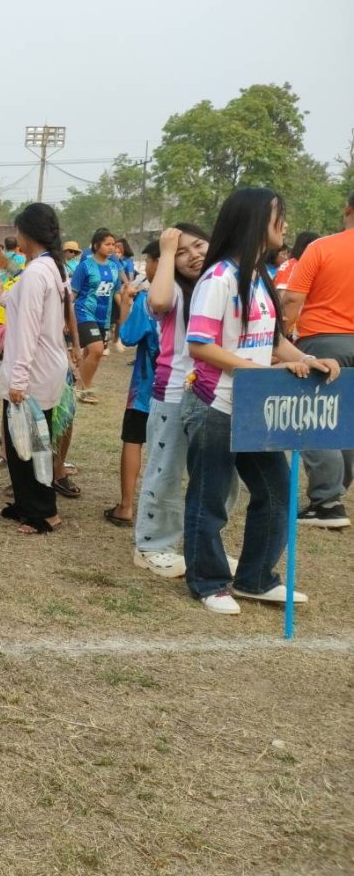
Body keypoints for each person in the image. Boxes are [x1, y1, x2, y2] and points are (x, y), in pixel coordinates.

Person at [182, 187, 340, 614]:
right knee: (210, 498)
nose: (284, 225)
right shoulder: (218, 278)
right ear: (254, 221)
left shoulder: (259, 277)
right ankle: (208, 582)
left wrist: (307, 360)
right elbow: (200, 344)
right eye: (277, 217)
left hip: (254, 407)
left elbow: (272, 341)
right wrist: (256, 373)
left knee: (277, 492)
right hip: (217, 404)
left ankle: (255, 578)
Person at [132, 224, 211, 577]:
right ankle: (152, 546)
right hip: (174, 392)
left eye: (199, 246)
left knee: (215, 478)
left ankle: (202, 548)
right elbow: (158, 302)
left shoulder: (217, 285)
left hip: (214, 394)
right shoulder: (174, 289)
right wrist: (165, 252)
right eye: (182, 252)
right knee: (165, 472)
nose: (193, 256)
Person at [282, 191, 354, 529]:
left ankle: (327, 502)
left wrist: (282, 335)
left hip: (323, 340)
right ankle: (336, 491)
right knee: (347, 417)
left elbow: (293, 298)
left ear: (347, 209)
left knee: (315, 416)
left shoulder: (321, 247)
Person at [0, 203, 71, 534]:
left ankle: (43, 512)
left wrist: (18, 381)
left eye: (17, 231)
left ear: (26, 234)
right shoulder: (51, 267)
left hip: (33, 370)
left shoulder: (36, 273)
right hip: (47, 364)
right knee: (27, 441)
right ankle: (27, 504)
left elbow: (29, 330)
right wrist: (2, 295)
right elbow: (27, 309)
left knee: (29, 444)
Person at [104, 242, 162, 529]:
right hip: (180, 391)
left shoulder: (149, 302)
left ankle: (126, 506)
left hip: (145, 390)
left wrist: (126, 303)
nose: (145, 267)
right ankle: (160, 510)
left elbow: (127, 337)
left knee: (133, 440)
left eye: (148, 260)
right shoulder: (194, 298)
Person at [70, 228, 124, 403]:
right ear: (96, 245)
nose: (111, 248)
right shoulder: (85, 266)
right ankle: (83, 389)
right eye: (107, 244)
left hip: (104, 317)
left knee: (89, 353)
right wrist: (65, 317)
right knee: (97, 350)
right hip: (85, 312)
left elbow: (116, 293)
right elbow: (73, 293)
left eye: (113, 245)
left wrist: (126, 306)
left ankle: (77, 385)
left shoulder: (114, 267)